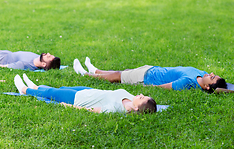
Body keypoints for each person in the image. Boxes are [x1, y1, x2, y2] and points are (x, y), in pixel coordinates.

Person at [14, 74, 157, 114]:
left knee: (52, 92)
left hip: (78, 99)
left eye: (142, 98)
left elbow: (93, 110)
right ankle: (36, 86)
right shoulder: (131, 98)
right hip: (87, 91)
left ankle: (25, 90)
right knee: (62, 87)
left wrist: (71, 108)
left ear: (138, 108)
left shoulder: (117, 109)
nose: (140, 94)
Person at [73, 57, 227, 93]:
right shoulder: (201, 74)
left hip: (146, 78)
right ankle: (95, 70)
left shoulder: (188, 82)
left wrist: (148, 87)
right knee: (121, 73)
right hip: (152, 69)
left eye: (212, 77)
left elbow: (163, 87)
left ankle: (86, 74)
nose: (211, 73)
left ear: (207, 87)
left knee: (117, 77)